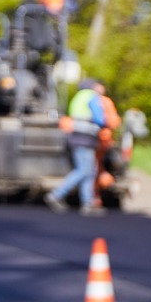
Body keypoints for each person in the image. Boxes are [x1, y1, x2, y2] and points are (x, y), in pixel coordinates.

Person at [45, 78, 107, 217]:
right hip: (86, 137)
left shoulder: (78, 97)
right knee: (84, 170)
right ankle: (56, 194)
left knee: (88, 170)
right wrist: (104, 124)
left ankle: (87, 203)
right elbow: (99, 119)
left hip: (76, 135)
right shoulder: (91, 97)